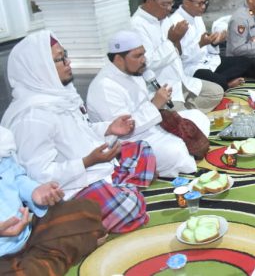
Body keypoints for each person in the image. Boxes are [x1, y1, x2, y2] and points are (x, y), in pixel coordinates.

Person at [0, 31, 157, 234]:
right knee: (128, 206)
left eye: (65, 55)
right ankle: (117, 195)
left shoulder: (60, 95)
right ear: (40, 68)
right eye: (60, 59)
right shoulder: (32, 116)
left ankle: (118, 191)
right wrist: (87, 162)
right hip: (70, 188)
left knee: (142, 149)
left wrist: (109, 128)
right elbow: (38, 175)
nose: (68, 62)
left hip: (94, 167)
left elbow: (81, 132)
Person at [87, 30, 200, 178]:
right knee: (176, 151)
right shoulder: (104, 87)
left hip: (151, 127)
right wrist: (155, 105)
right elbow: (125, 129)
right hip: (129, 142)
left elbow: (142, 102)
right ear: (118, 59)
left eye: (143, 54)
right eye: (137, 56)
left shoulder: (134, 72)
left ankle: (161, 166)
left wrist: (158, 98)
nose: (143, 60)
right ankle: (147, 170)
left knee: (198, 117)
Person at [0, 127, 106, 275]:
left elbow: (17, 177)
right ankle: (57, 255)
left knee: (83, 209)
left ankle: (44, 260)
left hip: (27, 234)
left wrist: (35, 192)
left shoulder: (2, 144)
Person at [131, 0, 224, 113]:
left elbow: (178, 53)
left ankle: (186, 111)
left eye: (171, 4)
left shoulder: (164, 19)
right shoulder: (137, 26)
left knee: (216, 92)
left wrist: (177, 41)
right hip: (161, 88)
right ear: (150, 2)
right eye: (164, 4)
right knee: (179, 119)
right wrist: (171, 41)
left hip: (181, 80)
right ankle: (183, 113)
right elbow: (147, 63)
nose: (169, 9)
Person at [172, 0, 255, 90]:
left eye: (205, 2)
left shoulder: (197, 17)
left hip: (209, 60)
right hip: (192, 67)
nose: (203, 7)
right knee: (218, 81)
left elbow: (208, 49)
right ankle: (225, 83)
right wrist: (200, 44)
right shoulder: (175, 22)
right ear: (186, 2)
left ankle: (223, 80)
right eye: (200, 3)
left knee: (244, 62)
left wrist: (214, 42)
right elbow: (180, 58)